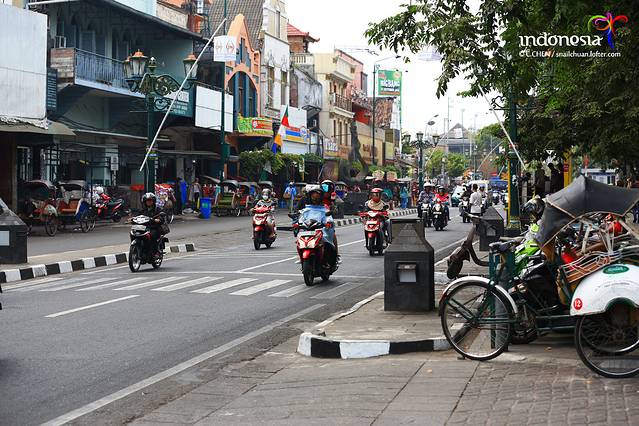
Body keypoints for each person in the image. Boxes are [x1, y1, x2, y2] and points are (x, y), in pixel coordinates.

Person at [140, 192, 166, 256]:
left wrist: (158, 219)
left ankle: (155, 252)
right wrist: (132, 219)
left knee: (152, 235)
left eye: (150, 200)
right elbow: (137, 216)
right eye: (147, 201)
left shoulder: (157, 209)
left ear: (153, 201)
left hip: (154, 228)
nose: (148, 202)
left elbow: (161, 217)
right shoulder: (142, 210)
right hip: (144, 228)